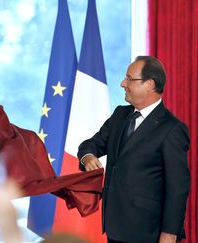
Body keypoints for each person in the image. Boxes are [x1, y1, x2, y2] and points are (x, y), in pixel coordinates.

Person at [78, 56, 190, 243]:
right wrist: (88, 157)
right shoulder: (120, 115)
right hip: (114, 227)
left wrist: (170, 233)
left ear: (149, 84)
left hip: (147, 233)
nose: (123, 83)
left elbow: (177, 188)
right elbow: (91, 144)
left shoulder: (172, 129)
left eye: (129, 79)